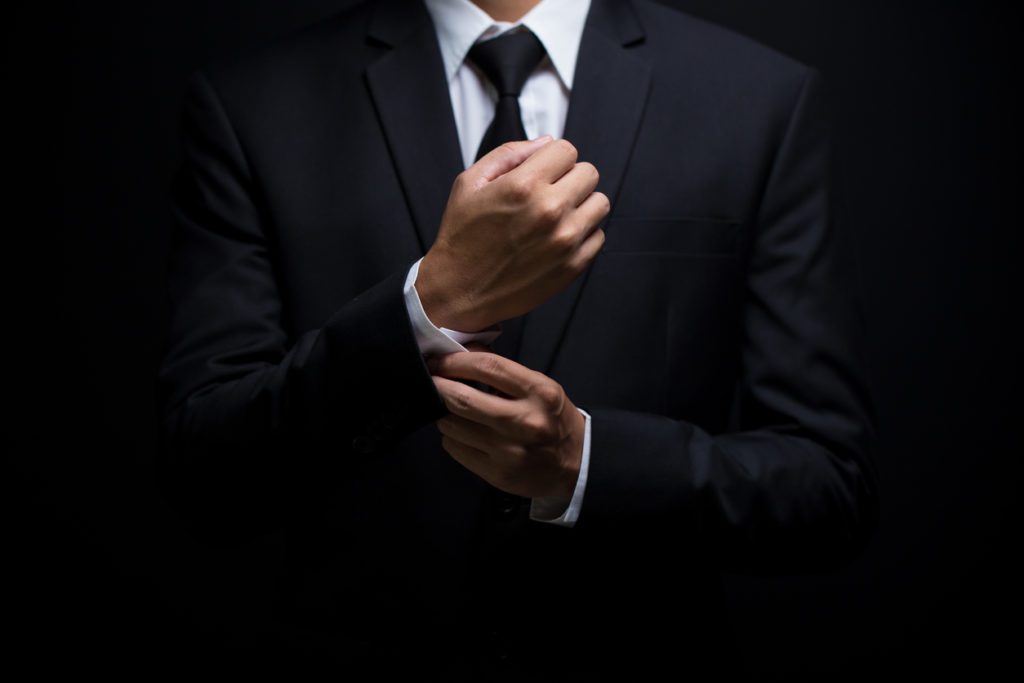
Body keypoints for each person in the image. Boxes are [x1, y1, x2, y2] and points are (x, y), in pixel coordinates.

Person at [156, 0, 881, 678]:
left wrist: (586, 462)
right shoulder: (255, 103)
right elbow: (209, 474)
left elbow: (826, 485)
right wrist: (429, 303)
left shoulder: (760, 99)